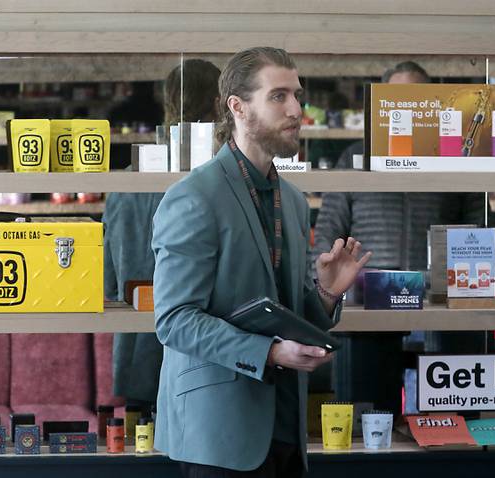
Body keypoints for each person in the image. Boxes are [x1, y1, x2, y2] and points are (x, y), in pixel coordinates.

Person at [152, 47, 371, 477]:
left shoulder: (290, 201)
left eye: (297, 96)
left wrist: (326, 293)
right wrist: (269, 352)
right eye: (279, 96)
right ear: (238, 107)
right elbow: (175, 320)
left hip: (287, 431)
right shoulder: (192, 198)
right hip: (218, 436)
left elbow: (282, 318)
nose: (295, 110)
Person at [311, 61, 485, 413]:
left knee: (451, 422)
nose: (408, 107)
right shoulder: (355, 159)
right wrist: (325, 296)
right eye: (397, 98)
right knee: (369, 421)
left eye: (417, 98)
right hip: (370, 310)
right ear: (383, 105)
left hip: (441, 313)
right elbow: (326, 237)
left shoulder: (453, 159)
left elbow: (476, 234)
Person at [104, 59, 221, 411]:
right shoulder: (216, 179)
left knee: (143, 452)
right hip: (203, 347)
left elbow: (108, 276)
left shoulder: (127, 181)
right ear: (220, 102)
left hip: (138, 342)